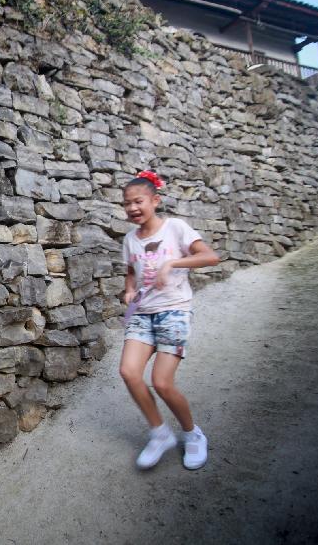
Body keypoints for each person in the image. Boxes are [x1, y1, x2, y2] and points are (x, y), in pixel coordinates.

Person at [118, 170, 220, 470]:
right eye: (127, 204)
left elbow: (210, 256)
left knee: (161, 382)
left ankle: (192, 434)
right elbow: (130, 272)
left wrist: (173, 262)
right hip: (142, 314)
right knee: (129, 372)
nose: (132, 208)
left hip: (174, 310)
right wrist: (129, 290)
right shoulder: (129, 239)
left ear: (155, 200)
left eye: (138, 201)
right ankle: (160, 433)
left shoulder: (175, 228)